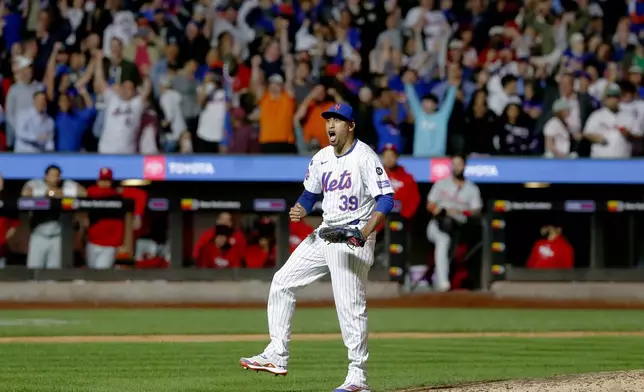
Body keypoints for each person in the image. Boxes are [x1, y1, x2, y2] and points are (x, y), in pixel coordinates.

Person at [239, 103, 395, 392]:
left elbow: (386, 200)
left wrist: (364, 232)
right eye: (328, 120)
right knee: (282, 281)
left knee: (350, 305)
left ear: (350, 126)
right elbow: (310, 194)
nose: (330, 125)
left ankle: (357, 376)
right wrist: (300, 207)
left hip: (352, 233)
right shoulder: (322, 158)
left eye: (337, 120)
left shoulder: (364, 156)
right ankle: (277, 353)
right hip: (325, 231)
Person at [426, 154, 482, 292]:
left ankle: (449, 278)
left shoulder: (472, 188)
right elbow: (430, 205)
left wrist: (459, 211)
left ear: (464, 166)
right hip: (438, 225)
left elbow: (476, 210)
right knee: (443, 240)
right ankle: (443, 282)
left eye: (460, 164)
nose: (457, 167)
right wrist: (441, 210)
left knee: (456, 249)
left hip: (459, 226)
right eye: (455, 164)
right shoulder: (442, 184)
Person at [21, 165, 86, 269]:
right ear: (46, 176)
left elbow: (83, 193)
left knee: (54, 271)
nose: (55, 178)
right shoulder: (36, 184)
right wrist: (45, 194)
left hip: (57, 236)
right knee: (34, 269)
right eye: (52, 175)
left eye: (57, 175)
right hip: (38, 235)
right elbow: (25, 194)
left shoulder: (66, 184)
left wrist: (62, 193)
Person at [85, 168, 124, 269]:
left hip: (110, 244)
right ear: (98, 181)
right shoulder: (91, 192)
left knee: (102, 274)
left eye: (107, 180)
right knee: (91, 273)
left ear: (111, 182)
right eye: (102, 180)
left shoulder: (118, 197)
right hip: (92, 241)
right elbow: (93, 192)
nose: (104, 183)